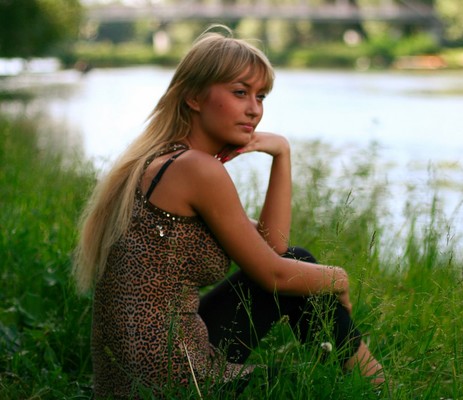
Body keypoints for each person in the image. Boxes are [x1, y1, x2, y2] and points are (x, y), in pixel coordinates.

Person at [73, 25, 384, 398]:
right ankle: (378, 386)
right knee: (299, 385)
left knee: (299, 262)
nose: (254, 109)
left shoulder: (166, 159)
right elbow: (274, 273)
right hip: (168, 381)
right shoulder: (196, 169)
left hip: (134, 374)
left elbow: (273, 248)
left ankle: (373, 383)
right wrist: (339, 279)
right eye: (240, 93)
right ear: (194, 97)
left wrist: (281, 153)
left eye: (261, 96)